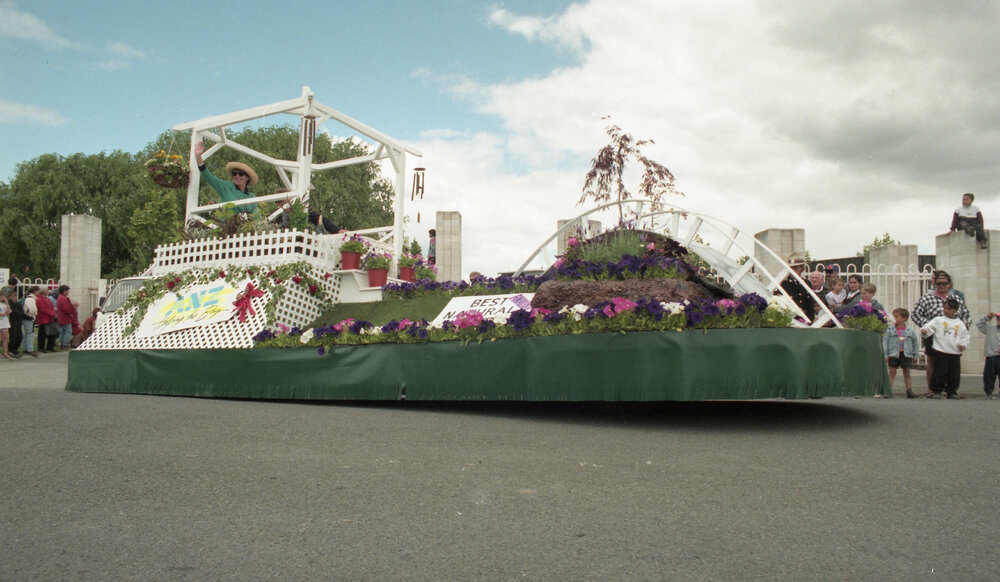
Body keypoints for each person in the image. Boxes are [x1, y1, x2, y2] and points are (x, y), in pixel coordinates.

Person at [911, 271, 971, 391]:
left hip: (951, 336)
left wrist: (960, 328)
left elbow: (966, 315)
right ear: (934, 284)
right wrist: (929, 327)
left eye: (944, 283)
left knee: (952, 364)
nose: (941, 286)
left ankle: (951, 389)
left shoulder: (956, 298)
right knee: (933, 362)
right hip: (932, 335)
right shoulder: (926, 298)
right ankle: (932, 389)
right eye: (939, 283)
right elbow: (915, 314)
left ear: (949, 284)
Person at [920, 298, 970, 399]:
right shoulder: (938, 320)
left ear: (955, 310)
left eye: (949, 309)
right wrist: (925, 330)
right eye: (945, 308)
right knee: (939, 372)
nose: (946, 310)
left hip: (954, 352)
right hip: (940, 350)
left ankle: (952, 391)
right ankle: (937, 391)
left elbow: (965, 336)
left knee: (954, 373)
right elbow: (929, 327)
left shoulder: (959, 323)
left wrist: (963, 344)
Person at [193, 141, 258, 214]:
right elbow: (209, 177)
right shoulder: (226, 187)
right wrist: (198, 157)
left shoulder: (251, 196)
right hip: (226, 224)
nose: (237, 176)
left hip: (247, 225)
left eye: (241, 173)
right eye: (234, 173)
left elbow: (257, 215)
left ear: (247, 178)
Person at [883, 308, 920, 398]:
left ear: (904, 318)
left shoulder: (910, 331)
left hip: (906, 354)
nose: (894, 319)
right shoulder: (889, 330)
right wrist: (886, 355)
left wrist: (915, 355)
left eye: (896, 317)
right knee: (892, 372)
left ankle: (909, 390)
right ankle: (888, 390)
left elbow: (915, 343)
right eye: (893, 316)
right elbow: (885, 343)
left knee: (907, 372)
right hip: (894, 353)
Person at [779, 253, 816, 322]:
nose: (793, 270)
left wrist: (810, 320)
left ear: (802, 268)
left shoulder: (807, 283)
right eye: (791, 268)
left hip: (806, 320)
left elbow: (810, 304)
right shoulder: (783, 284)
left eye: (796, 268)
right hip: (791, 320)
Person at [976, 311, 1000, 399]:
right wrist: (988, 317)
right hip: (991, 357)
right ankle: (988, 393)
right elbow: (979, 324)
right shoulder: (990, 329)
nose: (999, 321)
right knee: (989, 376)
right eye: (998, 319)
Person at [34, 287, 57, 353]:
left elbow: (51, 307)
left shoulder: (47, 299)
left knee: (52, 333)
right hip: (43, 319)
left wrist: (53, 313)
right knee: (42, 334)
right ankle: (41, 347)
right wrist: (52, 314)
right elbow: (43, 309)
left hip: (50, 318)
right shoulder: (39, 300)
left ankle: (50, 347)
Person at [55, 285, 76, 350]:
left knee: (62, 332)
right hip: (65, 318)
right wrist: (71, 311)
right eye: (67, 291)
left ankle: (61, 344)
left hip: (61, 318)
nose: (68, 292)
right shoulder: (64, 299)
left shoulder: (59, 298)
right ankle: (65, 344)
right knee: (68, 331)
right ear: (64, 291)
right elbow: (66, 309)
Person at [20, 285, 38, 357]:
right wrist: (35, 314)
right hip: (29, 317)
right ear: (35, 291)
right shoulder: (30, 299)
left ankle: (24, 347)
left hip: (25, 317)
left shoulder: (27, 297)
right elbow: (33, 310)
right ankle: (30, 349)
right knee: (30, 333)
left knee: (26, 333)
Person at [5, 289, 24, 358]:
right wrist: (19, 313)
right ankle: (11, 349)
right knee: (13, 336)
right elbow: (13, 311)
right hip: (12, 321)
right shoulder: (9, 304)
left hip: (19, 321)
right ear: (9, 297)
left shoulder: (18, 304)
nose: (14, 298)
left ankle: (16, 349)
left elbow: (22, 311)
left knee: (20, 336)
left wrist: (21, 314)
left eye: (15, 296)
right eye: (12, 296)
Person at [0, 293, 11, 360]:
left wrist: (7, 303)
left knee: (5, 338)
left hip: (4, 322)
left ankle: (5, 353)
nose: (2, 297)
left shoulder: (4, 305)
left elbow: (8, 312)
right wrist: (2, 314)